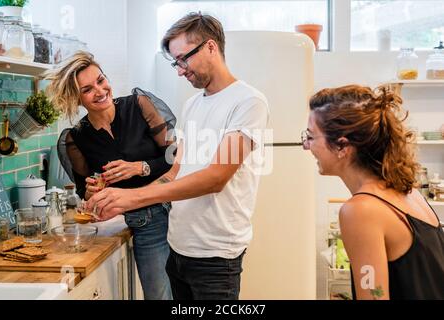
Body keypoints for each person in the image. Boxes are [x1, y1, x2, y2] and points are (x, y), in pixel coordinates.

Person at [87, 12, 269, 300]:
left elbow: (215, 178)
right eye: (176, 63)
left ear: (210, 47)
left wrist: (133, 198)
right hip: (178, 249)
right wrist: (121, 204)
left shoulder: (248, 102)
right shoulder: (193, 104)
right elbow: (175, 172)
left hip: (216, 258)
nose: (180, 70)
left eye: (183, 59)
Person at [44, 51, 175, 300]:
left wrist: (140, 167)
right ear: (77, 98)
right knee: (157, 296)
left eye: (101, 81)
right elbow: (85, 190)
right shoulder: (76, 137)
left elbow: (174, 157)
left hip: (162, 212)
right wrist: (92, 190)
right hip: (119, 221)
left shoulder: (138, 105)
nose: (100, 91)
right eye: (88, 89)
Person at [303, 84, 444, 300]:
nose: (305, 145)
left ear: (342, 146)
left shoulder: (361, 211)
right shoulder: (406, 191)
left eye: (311, 137)